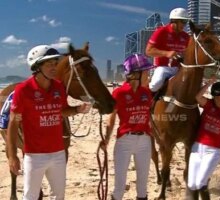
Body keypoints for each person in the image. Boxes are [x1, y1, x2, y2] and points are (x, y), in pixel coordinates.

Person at [7, 45, 90, 200]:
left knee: (59, 196)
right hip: (34, 155)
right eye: (49, 65)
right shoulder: (23, 90)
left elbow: (62, 111)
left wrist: (78, 109)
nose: (54, 68)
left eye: (55, 64)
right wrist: (12, 156)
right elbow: (13, 124)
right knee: (30, 196)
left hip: (58, 154)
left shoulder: (59, 87)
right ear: (37, 67)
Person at [100, 54, 154, 200]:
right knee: (119, 186)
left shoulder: (147, 93)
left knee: (143, 186)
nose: (149, 75)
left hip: (145, 141)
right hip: (124, 141)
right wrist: (106, 140)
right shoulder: (119, 93)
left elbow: (149, 117)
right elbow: (111, 119)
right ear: (135, 74)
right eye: (146, 72)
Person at [146, 7, 190, 93]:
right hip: (163, 68)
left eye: (186, 22)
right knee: (155, 85)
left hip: (179, 69)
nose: (184, 25)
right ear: (174, 21)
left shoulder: (186, 36)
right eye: (183, 22)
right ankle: (148, 103)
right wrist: (166, 53)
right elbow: (148, 51)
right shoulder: (161, 31)